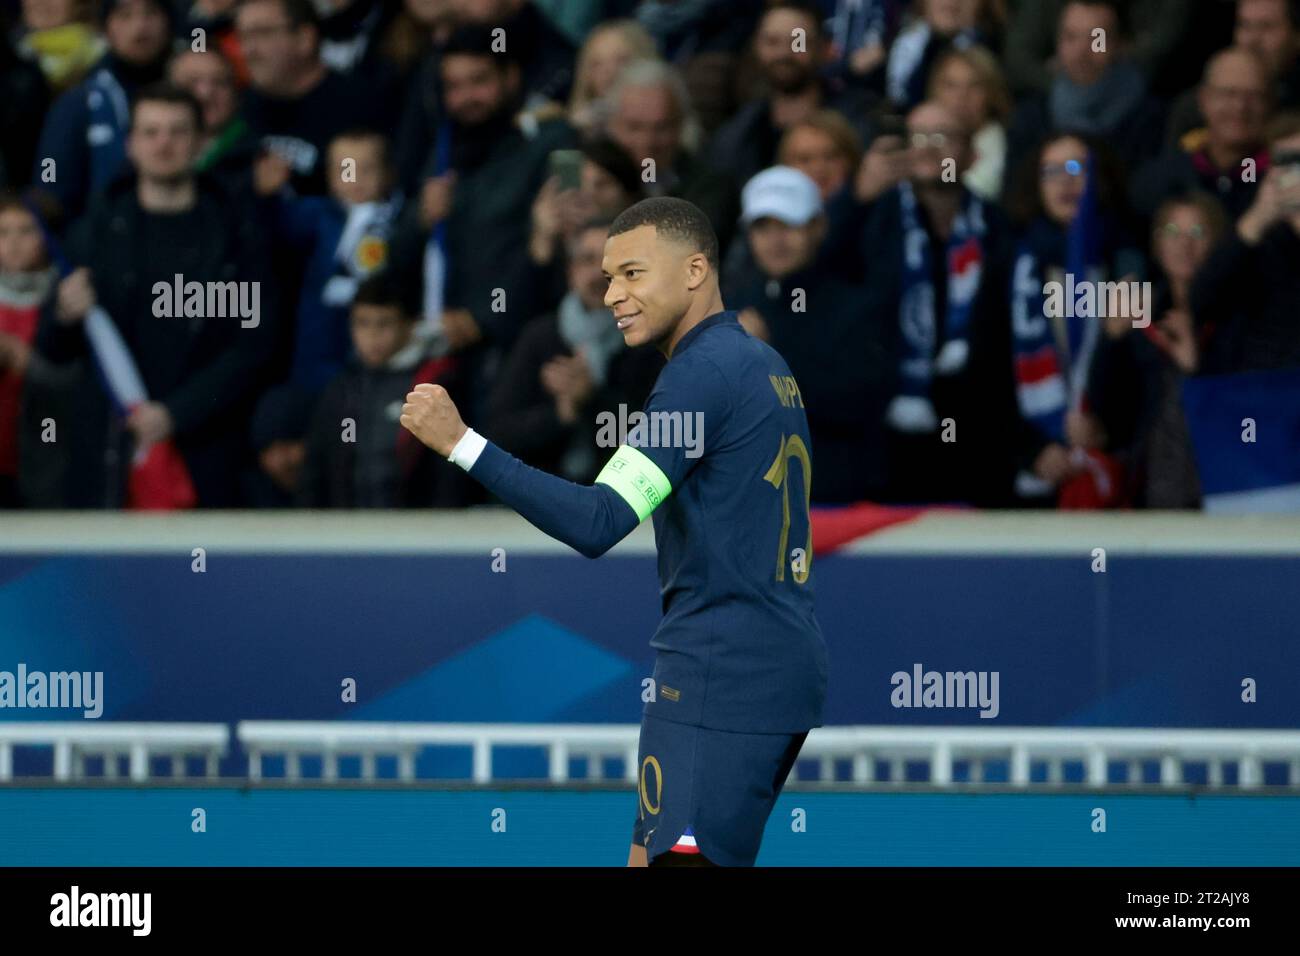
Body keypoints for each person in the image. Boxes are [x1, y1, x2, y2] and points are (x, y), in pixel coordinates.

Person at [399, 197, 827, 866]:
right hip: (766, 665)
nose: (612, 295)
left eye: (632, 273)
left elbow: (600, 521)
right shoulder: (760, 363)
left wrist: (461, 444)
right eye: (606, 277)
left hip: (721, 675)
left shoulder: (700, 375)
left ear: (694, 270)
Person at [33, 84, 277, 507]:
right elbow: (52, 352)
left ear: (202, 142)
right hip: (110, 454)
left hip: (209, 451)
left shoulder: (239, 233)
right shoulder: (94, 232)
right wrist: (62, 315)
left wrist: (176, 414)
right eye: (151, 132)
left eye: (177, 131)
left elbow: (254, 347)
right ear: (130, 144)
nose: (163, 143)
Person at [725, 166, 893, 504]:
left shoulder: (858, 308)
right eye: (763, 227)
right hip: (746, 503)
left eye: (788, 225)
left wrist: (766, 361)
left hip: (835, 505)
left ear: (818, 227)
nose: (776, 239)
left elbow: (859, 402)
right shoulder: (727, 306)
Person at [481, 219, 662, 483]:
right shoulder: (540, 337)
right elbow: (496, 435)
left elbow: (660, 443)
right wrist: (560, 414)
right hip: (536, 500)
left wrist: (591, 399)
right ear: (571, 271)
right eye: (587, 261)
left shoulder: (650, 342)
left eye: (613, 265)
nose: (598, 275)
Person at [300, 271, 467, 507]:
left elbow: (450, 474)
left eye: (384, 323)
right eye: (362, 323)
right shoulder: (341, 389)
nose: (372, 335)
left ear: (410, 325)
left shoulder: (437, 386)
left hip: (419, 533)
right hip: (347, 533)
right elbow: (315, 470)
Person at [31, 0, 173, 223]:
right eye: (125, 15)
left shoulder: (194, 89)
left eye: (151, 13)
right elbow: (50, 189)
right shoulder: (77, 102)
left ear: (168, 23)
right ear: (107, 27)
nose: (140, 26)